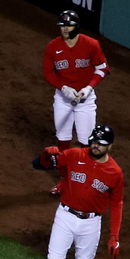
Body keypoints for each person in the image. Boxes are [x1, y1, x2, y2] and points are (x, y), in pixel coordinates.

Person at [30, 124, 124, 259]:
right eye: (94, 141)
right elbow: (39, 165)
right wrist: (46, 155)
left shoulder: (115, 172)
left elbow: (117, 203)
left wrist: (114, 236)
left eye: (101, 143)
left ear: (110, 146)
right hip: (65, 216)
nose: (96, 146)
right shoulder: (74, 155)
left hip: (91, 223)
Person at [43, 10, 110, 195]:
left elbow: (102, 68)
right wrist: (63, 87)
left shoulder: (91, 44)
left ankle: (85, 180)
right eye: (62, 26)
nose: (65, 29)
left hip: (85, 102)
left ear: (77, 26)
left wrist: (89, 88)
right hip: (62, 101)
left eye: (69, 25)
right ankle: (65, 180)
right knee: (63, 140)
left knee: (87, 143)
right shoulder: (53, 47)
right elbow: (48, 73)